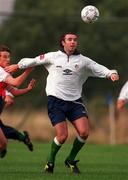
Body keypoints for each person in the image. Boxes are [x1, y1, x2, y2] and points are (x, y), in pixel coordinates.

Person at [5, 33, 119, 174]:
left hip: (75, 102)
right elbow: (34, 61)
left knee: (84, 133)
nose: (73, 42)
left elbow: (98, 67)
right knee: (62, 136)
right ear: (63, 42)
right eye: (69, 40)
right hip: (56, 101)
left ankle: (70, 160)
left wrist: (111, 73)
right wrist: (18, 65)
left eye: (75, 40)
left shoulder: (83, 61)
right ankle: (50, 161)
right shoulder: (53, 56)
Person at [0, 45, 35, 158]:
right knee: (3, 143)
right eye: (4, 57)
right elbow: (15, 82)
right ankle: (23, 138)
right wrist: (28, 70)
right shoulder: (0, 71)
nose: (8, 60)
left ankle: (22, 138)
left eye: (9, 57)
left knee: (3, 144)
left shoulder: (4, 74)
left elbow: (14, 91)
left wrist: (28, 89)